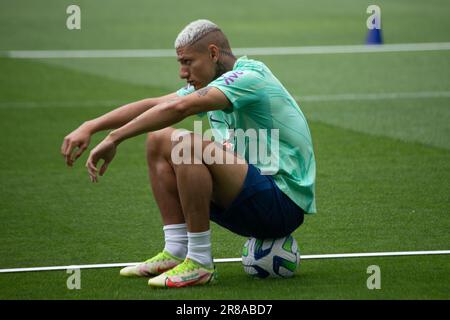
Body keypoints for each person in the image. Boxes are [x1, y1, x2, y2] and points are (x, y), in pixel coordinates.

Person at [61, 19, 316, 288]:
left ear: (213, 54)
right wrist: (92, 126)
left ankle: (200, 262)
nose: (183, 72)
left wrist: (116, 138)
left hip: (282, 204)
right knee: (159, 138)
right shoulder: (214, 84)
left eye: (187, 62)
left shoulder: (250, 77)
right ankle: (176, 252)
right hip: (249, 198)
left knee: (186, 143)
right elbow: (155, 105)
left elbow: (181, 108)